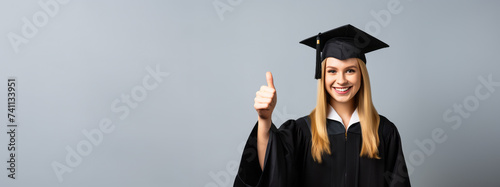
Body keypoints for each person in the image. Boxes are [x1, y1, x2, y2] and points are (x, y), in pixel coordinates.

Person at [233, 24, 411, 187]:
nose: (341, 80)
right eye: (332, 71)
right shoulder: (302, 131)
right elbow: (272, 171)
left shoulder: (385, 132)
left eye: (350, 70)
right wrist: (264, 119)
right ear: (322, 76)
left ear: (361, 75)